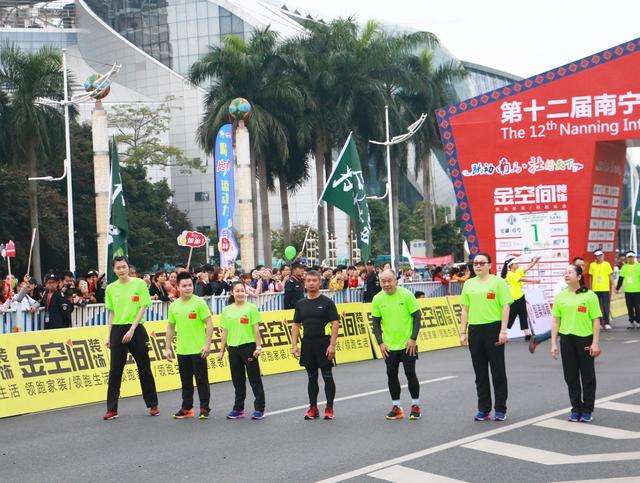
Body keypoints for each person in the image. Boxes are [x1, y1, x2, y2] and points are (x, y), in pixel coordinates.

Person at [103, 256, 159, 420]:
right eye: (118, 268)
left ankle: (153, 404)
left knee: (144, 368)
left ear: (129, 267)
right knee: (115, 371)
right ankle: (112, 409)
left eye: (124, 267)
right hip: (118, 330)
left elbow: (143, 307)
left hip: (136, 328)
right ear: (114, 270)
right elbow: (112, 313)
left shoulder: (139, 284)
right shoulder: (111, 288)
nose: (121, 270)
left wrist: (132, 329)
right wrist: (109, 335)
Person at [460, 252, 512, 421]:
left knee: (497, 371)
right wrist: (462, 332)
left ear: (489, 265)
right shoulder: (468, 284)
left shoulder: (498, 282)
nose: (478, 266)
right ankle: (483, 408)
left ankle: (500, 408)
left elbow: (505, 307)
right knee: (480, 373)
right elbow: (465, 309)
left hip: (493, 328)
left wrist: (503, 330)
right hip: (475, 330)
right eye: (475, 263)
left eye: (482, 263)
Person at [551, 263, 602, 423]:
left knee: (587, 376)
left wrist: (595, 342)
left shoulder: (589, 296)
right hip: (567, 339)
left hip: (584, 339)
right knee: (570, 376)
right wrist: (553, 343)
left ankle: (587, 409)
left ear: (579, 277)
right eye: (565, 273)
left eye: (570, 273)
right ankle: (576, 408)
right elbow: (555, 321)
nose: (566, 275)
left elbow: (596, 320)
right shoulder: (560, 296)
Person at [371, 270, 423, 420]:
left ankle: (415, 405)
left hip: (408, 344)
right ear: (379, 282)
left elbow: (417, 317)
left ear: (396, 280)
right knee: (391, 375)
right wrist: (380, 342)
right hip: (389, 346)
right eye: (383, 281)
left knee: (410, 373)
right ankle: (396, 407)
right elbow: (375, 323)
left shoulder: (406, 295)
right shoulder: (377, 299)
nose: (386, 284)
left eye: (389, 281)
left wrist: (413, 339)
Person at [291, 270, 339, 420]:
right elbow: (296, 325)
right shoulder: (301, 304)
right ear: (305, 283)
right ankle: (313, 408)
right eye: (308, 281)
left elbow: (335, 324)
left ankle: (329, 408)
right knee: (312, 377)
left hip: (323, 344)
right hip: (307, 344)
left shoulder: (327, 302)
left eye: (314, 281)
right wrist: (294, 345)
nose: (311, 283)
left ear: (319, 282)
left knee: (327, 376)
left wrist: (332, 345)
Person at [165, 272, 213, 419]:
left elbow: (209, 324)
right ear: (178, 287)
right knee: (185, 382)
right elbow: (170, 327)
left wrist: (207, 344)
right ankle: (187, 408)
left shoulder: (199, 302)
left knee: (201, 381)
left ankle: (204, 408)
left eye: (190, 285)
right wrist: (167, 347)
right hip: (182, 350)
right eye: (184, 286)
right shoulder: (174, 306)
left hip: (198, 349)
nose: (187, 288)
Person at [217, 282, 266, 420]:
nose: (240, 293)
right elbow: (224, 332)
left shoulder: (251, 308)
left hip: (249, 347)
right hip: (233, 349)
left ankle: (259, 408)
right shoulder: (227, 310)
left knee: (254, 379)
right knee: (237, 380)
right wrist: (221, 350)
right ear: (232, 293)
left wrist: (258, 346)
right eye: (237, 291)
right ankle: (238, 409)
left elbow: (256, 329)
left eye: (242, 290)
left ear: (245, 292)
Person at [501, 256, 540, 339]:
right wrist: (535, 281)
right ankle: (501, 332)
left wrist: (535, 261)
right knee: (510, 316)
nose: (517, 264)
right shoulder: (509, 274)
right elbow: (521, 280)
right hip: (512, 298)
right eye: (516, 263)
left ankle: (527, 333)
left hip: (521, 296)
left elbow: (528, 267)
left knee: (523, 314)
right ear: (511, 265)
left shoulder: (518, 271)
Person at [588, 250, 613, 330]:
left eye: (601, 255)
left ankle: (606, 323)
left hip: (605, 289)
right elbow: (590, 278)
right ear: (595, 256)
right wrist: (591, 288)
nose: (600, 257)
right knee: (597, 307)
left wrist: (614, 285)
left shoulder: (607, 264)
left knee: (605, 306)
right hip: (595, 289)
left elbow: (610, 276)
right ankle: (599, 323)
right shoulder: (592, 265)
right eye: (598, 256)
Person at [616, 251, 640, 329]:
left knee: (637, 307)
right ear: (627, 258)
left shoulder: (639, 266)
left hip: (637, 291)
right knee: (629, 307)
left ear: (634, 257)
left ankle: (638, 321)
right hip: (628, 291)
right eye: (629, 257)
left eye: (631, 257)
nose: (630, 259)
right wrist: (617, 288)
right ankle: (631, 321)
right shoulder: (624, 267)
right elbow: (621, 279)